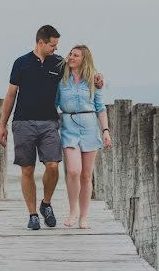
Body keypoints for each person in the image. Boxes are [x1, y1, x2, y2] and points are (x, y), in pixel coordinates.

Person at [0, 25, 104, 230]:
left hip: (49, 122)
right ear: (41, 42)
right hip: (23, 122)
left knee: (53, 166)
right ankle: (32, 215)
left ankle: (46, 203)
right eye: (53, 45)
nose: (56, 49)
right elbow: (11, 95)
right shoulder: (21, 63)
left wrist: (98, 80)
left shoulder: (59, 63)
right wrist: (2, 124)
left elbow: (81, 70)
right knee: (27, 169)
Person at [55, 44, 111, 229]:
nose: (70, 57)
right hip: (69, 127)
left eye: (75, 55)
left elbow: (100, 107)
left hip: (89, 128)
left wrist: (105, 130)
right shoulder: (62, 80)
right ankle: (72, 212)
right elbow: (54, 104)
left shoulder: (93, 81)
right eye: (70, 54)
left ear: (84, 59)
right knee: (73, 171)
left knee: (86, 175)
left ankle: (83, 217)